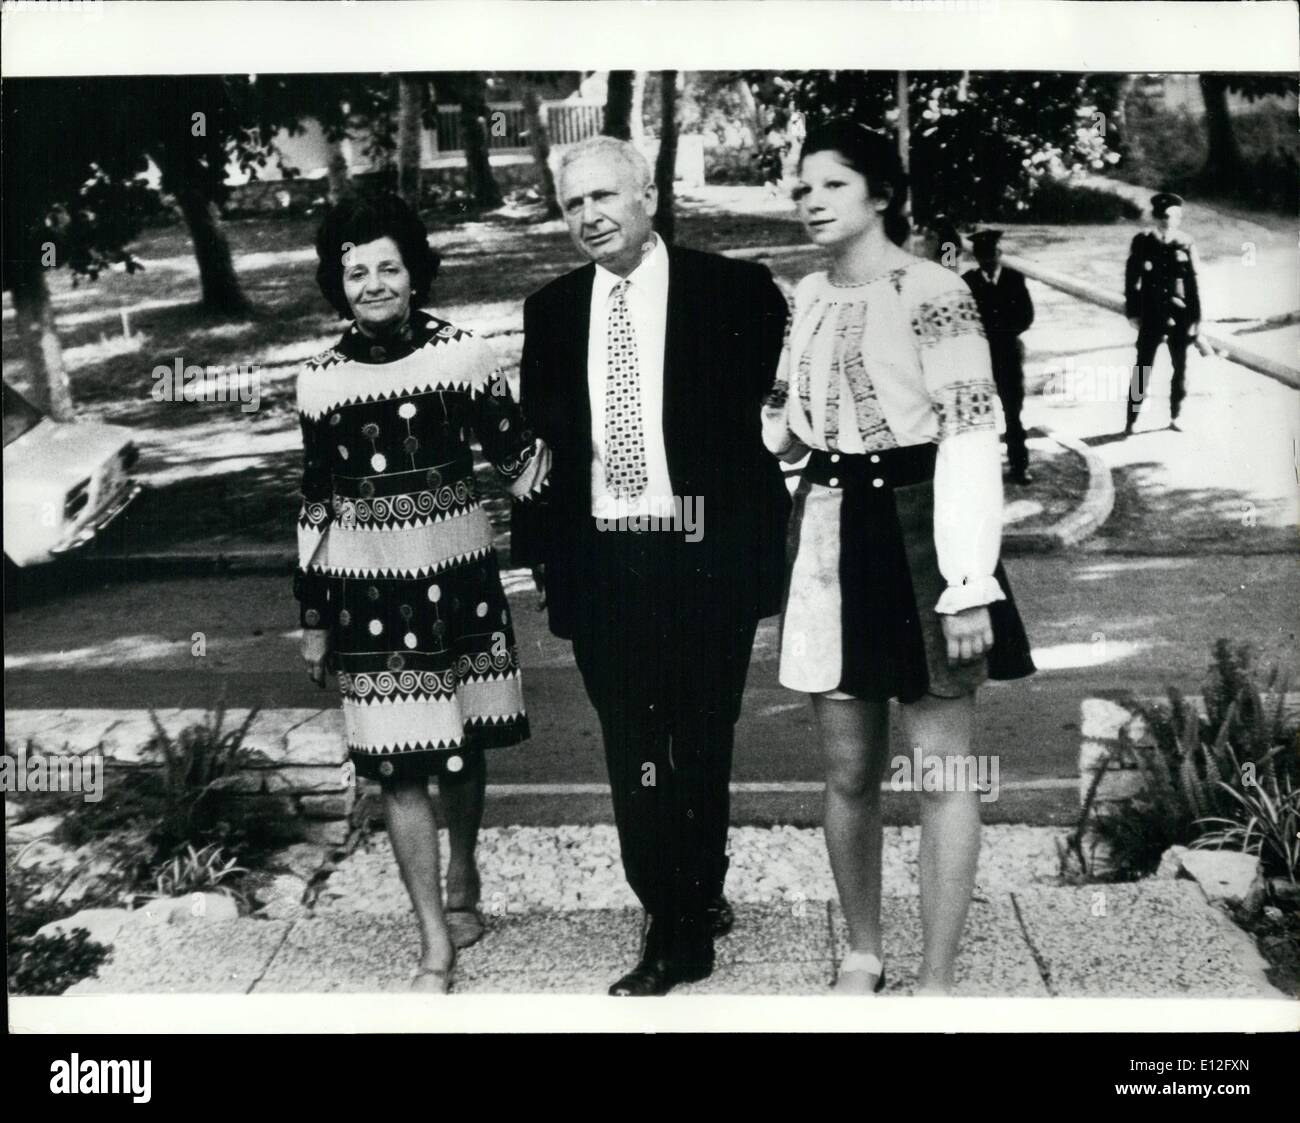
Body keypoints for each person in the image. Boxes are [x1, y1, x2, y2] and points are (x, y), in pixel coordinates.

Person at [761, 120, 1035, 995]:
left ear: (881, 195)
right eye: (802, 186)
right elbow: (788, 428)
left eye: (832, 185)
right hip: (830, 535)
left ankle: (938, 977)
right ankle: (863, 952)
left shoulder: (935, 289)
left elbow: (968, 437)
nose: (810, 200)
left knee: (944, 772)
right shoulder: (805, 294)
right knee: (847, 770)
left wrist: (967, 583)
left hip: (923, 537)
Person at [512, 135, 790, 996]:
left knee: (699, 737)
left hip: (704, 554)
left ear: (648, 194)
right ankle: (667, 905)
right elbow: (540, 451)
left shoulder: (733, 291)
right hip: (604, 561)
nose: (590, 216)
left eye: (604, 196)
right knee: (633, 742)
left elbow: (770, 425)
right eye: (572, 204)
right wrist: (542, 560)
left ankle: (689, 913)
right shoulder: (551, 310)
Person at [295, 193, 549, 992]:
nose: (372, 283)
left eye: (387, 267)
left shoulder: (465, 356)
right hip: (363, 593)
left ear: (414, 274)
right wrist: (312, 617)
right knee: (399, 765)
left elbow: (523, 467)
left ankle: (465, 869)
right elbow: (315, 500)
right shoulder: (319, 382)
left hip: (459, 580)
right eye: (355, 271)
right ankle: (432, 938)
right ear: (339, 285)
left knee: (461, 741)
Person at [1123, 191, 1202, 435]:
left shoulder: (1186, 243)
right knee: (1142, 368)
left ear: (1178, 219)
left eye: (1170, 217)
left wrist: (1196, 319)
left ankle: (1176, 415)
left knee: (1180, 367)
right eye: (1161, 216)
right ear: (1155, 217)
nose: (1165, 221)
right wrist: (1133, 313)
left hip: (1180, 315)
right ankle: (1132, 419)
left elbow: (1193, 285)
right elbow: (1131, 280)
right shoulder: (1143, 241)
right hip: (1150, 315)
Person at [963, 229, 1036, 484]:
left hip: (1008, 354)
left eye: (992, 254)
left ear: (999, 253)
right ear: (977, 257)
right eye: (983, 256)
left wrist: (1004, 332)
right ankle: (981, 470)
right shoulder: (968, 282)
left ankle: (1019, 466)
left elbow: (1027, 315)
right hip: (979, 356)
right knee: (978, 415)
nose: (988, 261)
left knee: (1013, 412)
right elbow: (964, 319)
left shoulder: (1014, 279)